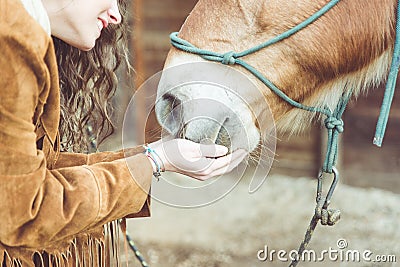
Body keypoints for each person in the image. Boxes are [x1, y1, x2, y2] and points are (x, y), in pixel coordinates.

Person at [0, 0, 248, 266]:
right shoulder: (13, 39)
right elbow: (25, 211)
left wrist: (153, 157)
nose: (117, 16)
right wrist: (156, 161)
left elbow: (32, 174)